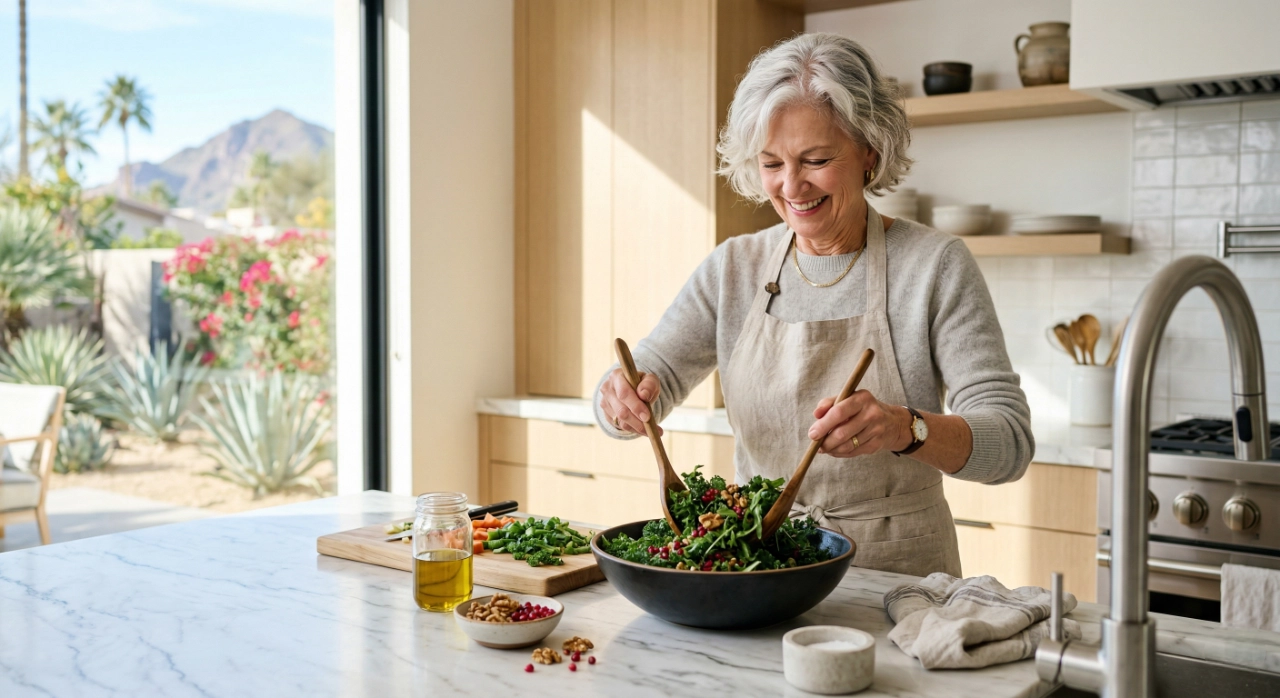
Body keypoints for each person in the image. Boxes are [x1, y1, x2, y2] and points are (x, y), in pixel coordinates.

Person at [593, 33, 1033, 577]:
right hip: (760, 568)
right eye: (771, 163)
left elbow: (1009, 444)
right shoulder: (733, 269)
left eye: (816, 159)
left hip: (899, 582)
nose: (792, 185)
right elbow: (641, 386)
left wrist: (904, 429)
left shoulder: (934, 265)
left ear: (870, 151)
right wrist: (621, 400)